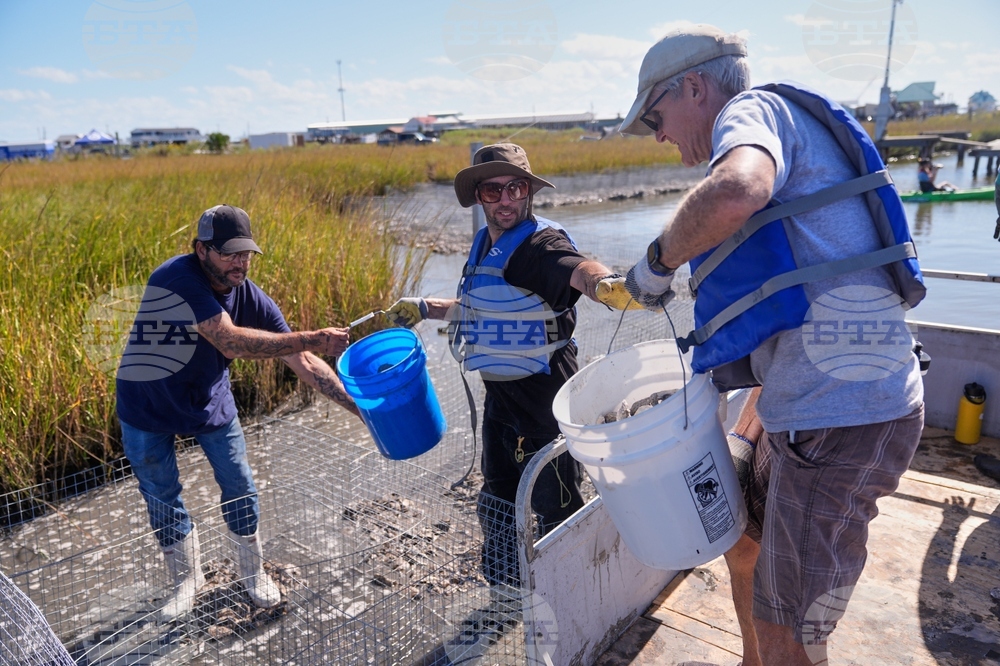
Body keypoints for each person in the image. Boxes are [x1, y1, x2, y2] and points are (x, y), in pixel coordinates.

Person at [620, 26, 925, 665]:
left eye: (656, 114)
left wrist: (656, 264)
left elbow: (738, 190)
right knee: (743, 542)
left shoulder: (750, 112)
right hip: (803, 404)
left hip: (842, 416)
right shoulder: (783, 127)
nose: (658, 133)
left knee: (790, 630)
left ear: (695, 88)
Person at [385, 143, 637, 597]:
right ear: (478, 197)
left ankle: (573, 598)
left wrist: (608, 286)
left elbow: (578, 271)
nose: (504, 200)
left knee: (555, 504)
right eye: (492, 190)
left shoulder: (540, 246)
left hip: (544, 405)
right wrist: (425, 307)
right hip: (501, 402)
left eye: (515, 188)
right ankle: (507, 590)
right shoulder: (486, 244)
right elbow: (483, 308)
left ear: (530, 192)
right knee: (496, 499)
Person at [116, 204, 361, 621]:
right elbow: (231, 342)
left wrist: (360, 409)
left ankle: (251, 571)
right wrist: (317, 337)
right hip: (147, 401)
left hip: (208, 398)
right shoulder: (174, 280)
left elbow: (302, 360)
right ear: (201, 250)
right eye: (230, 253)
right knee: (161, 492)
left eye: (246, 253)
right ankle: (185, 580)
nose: (241, 262)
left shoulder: (249, 295)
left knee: (240, 483)